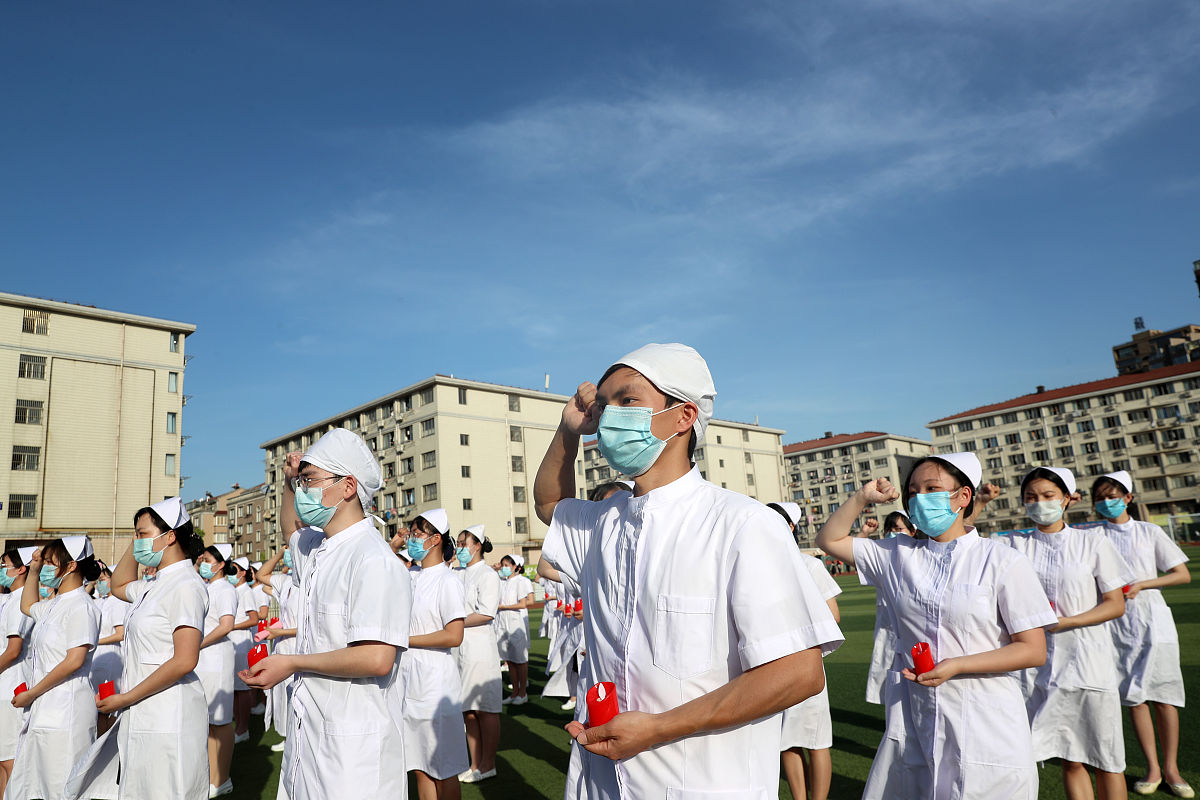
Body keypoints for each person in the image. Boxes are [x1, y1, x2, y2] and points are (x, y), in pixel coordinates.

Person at [535, 343, 843, 798]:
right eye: (604, 404)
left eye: (627, 400)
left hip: (703, 781)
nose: (610, 415)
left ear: (684, 416)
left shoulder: (742, 524)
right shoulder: (603, 521)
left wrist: (658, 728)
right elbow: (549, 503)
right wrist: (568, 430)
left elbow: (799, 672)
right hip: (602, 781)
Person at [817, 453, 1056, 800]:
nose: (920, 498)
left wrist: (957, 665)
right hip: (915, 714)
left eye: (932, 489)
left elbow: (1033, 650)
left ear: (963, 496)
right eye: (913, 491)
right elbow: (830, 540)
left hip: (986, 716)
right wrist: (863, 497)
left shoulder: (1001, 560)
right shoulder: (897, 555)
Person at [240, 429, 411, 800]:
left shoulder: (373, 559)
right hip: (312, 736)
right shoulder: (319, 549)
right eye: (301, 482)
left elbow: (377, 657)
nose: (303, 490)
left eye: (310, 480)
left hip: (354, 751)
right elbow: (290, 529)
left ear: (348, 486)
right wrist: (288, 481)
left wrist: (291, 663)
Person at [997, 466, 1132, 800]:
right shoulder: (1014, 545)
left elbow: (1115, 604)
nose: (1039, 503)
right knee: (1070, 757)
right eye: (1031, 497)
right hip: (1039, 669)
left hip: (1088, 663)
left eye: (1048, 495)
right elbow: (965, 536)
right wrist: (982, 500)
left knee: (1107, 758)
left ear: (1067, 499)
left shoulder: (1092, 542)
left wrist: (1067, 622)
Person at [92, 497, 210, 799]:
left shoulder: (185, 585)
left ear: (170, 536)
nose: (138, 541)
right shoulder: (153, 584)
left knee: (166, 790)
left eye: (143, 534)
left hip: (169, 711)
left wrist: (126, 698)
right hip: (144, 708)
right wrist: (136, 540)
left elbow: (185, 660)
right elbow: (119, 585)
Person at [1093, 470, 1192, 798]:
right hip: (1116, 625)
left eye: (1112, 496)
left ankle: (1172, 769)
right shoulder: (1094, 536)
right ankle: (1152, 768)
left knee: (1165, 696)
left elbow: (1181, 574)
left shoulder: (1149, 531)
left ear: (1128, 498)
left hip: (1152, 621)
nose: (1106, 503)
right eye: (1100, 498)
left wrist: (1143, 584)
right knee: (1134, 697)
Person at [5, 537, 101, 800]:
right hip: (45, 707)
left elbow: (74, 660)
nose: (45, 566)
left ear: (71, 566)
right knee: (34, 785)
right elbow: (27, 606)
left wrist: (32, 693)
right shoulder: (54, 604)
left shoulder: (82, 606)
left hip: (67, 710)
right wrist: (34, 570)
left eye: (50, 562)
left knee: (61, 788)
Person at [768, 502, 841, 800]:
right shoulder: (761, 566)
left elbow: (833, 615)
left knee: (816, 739)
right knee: (786, 740)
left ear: (791, 527)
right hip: (773, 664)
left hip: (805, 661)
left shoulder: (810, 565)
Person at [404, 508, 469, 800]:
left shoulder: (447, 580)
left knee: (444, 768)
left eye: (417, 534)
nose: (411, 539)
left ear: (435, 539)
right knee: (419, 765)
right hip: (409, 680)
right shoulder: (411, 576)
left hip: (435, 683)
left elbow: (454, 635)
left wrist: (407, 640)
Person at [454, 525, 502, 783]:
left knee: (485, 708)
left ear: (478, 545)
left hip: (480, 649)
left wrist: (454, 623)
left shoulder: (487, 574)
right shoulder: (457, 573)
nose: (460, 547)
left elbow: (486, 612)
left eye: (464, 543)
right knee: (468, 709)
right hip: (459, 649)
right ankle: (474, 764)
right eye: (459, 543)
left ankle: (488, 763)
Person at [195, 543, 238, 797]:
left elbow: (226, 625)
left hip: (216, 658)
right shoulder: (207, 587)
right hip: (204, 659)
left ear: (221, 564)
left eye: (208, 560)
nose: (203, 564)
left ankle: (223, 779)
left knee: (220, 721)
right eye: (202, 560)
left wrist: (198, 643)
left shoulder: (226, 590)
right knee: (209, 721)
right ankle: (213, 775)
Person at [862, 511, 915, 706]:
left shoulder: (922, 554)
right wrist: (864, 533)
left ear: (912, 531)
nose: (894, 533)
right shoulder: (881, 558)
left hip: (914, 630)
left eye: (899, 528)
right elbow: (854, 554)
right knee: (887, 679)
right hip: (887, 630)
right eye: (890, 529)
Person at [255, 545, 299, 754]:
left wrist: (280, 632)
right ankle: (287, 736)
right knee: (282, 697)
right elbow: (261, 576)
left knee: (296, 697)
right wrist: (280, 553)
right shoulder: (287, 581)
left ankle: (296, 739)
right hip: (282, 646)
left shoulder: (310, 583)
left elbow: (309, 625)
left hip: (298, 649)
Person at [0, 546, 36, 798]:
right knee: (2, 758)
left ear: (21, 569)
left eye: (4, 566)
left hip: (11, 688)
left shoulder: (21, 600)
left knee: (10, 758)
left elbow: (13, 650)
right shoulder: (11, 599)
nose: (1, 570)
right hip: (4, 686)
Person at [91, 566, 130, 733]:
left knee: (107, 707)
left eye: (103, 580)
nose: (99, 584)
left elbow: (120, 634)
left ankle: (107, 742)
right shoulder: (101, 602)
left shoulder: (118, 602)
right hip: (98, 657)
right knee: (96, 707)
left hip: (111, 659)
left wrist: (97, 641)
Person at [227, 556, 259, 743]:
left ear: (243, 573)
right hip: (233, 643)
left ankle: (243, 728)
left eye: (235, 570)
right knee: (235, 689)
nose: (231, 574)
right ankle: (238, 727)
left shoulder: (246, 592)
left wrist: (233, 626)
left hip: (241, 643)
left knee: (242, 689)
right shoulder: (234, 590)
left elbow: (254, 619)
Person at [497, 554, 534, 705]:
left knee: (520, 660)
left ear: (514, 567)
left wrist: (503, 607)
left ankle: (522, 693)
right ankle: (514, 693)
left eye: (507, 565)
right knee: (510, 660)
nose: (504, 568)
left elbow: (523, 604)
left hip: (516, 624)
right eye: (502, 565)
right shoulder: (503, 583)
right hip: (503, 623)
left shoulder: (520, 582)